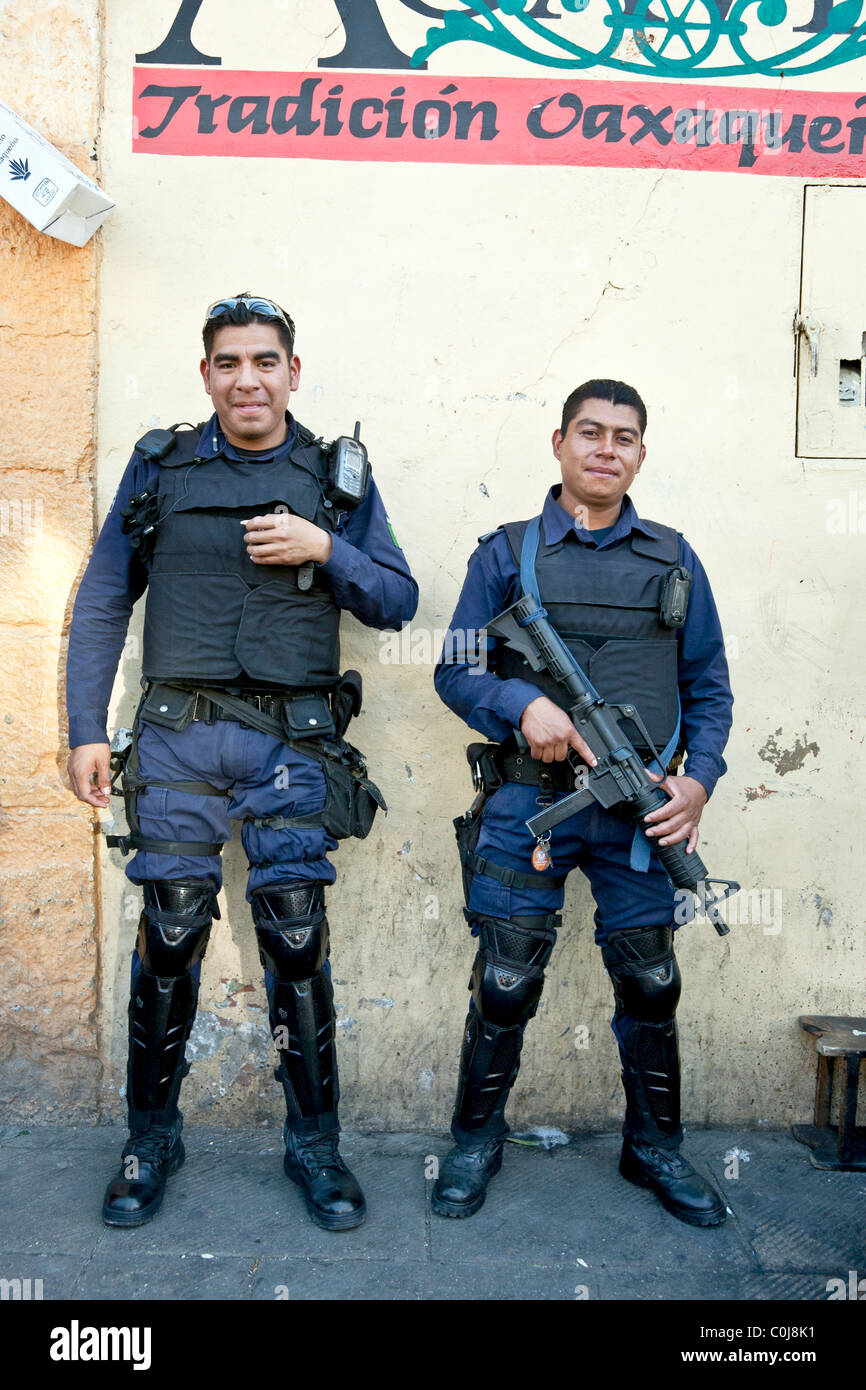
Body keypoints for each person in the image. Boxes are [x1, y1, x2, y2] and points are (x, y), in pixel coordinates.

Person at [66, 293, 418, 1231]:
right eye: (228, 363)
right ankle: (150, 1138)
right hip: (178, 736)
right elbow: (104, 598)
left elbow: (396, 599)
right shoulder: (161, 467)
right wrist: (85, 730)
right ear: (206, 374)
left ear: (293, 373)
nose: (247, 379)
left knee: (296, 941)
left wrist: (326, 547)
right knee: (171, 933)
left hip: (292, 746)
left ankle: (315, 1147)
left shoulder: (333, 478)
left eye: (265, 361)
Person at [431, 378, 733, 1226]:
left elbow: (710, 686)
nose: (606, 449)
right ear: (559, 443)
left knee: (652, 980)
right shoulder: (506, 553)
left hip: (639, 815)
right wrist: (519, 706)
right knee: (503, 980)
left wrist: (697, 780)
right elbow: (455, 665)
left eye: (624, 438)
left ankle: (655, 1149)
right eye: (590, 433)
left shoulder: (674, 558)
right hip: (531, 803)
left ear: (641, 454)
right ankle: (474, 1142)